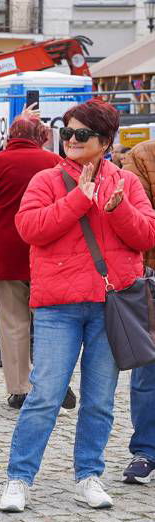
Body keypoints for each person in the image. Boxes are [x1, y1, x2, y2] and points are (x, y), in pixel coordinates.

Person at [0, 100, 155, 513]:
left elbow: (146, 236)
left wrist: (117, 208)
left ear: (105, 141)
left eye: (81, 134)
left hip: (110, 305)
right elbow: (29, 228)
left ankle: (89, 474)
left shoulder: (125, 182)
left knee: (100, 399)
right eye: (66, 132)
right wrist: (78, 201)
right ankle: (19, 478)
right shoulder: (47, 179)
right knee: (45, 395)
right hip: (58, 306)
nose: (71, 140)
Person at [0, 112, 65, 410]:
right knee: (49, 321)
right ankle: (51, 382)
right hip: (45, 248)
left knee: (13, 322)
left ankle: (19, 389)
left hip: (5, 250)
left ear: (10, 136)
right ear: (41, 137)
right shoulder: (52, 161)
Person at [119, 138, 155, 484]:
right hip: (152, 279)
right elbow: (138, 221)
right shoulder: (143, 155)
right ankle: (146, 450)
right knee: (148, 369)